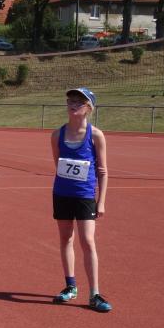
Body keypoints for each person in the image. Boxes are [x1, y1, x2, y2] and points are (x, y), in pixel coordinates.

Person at [50, 87, 112, 312]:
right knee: (65, 238)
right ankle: (70, 286)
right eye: (70, 101)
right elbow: (58, 165)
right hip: (62, 194)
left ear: (88, 108)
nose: (73, 105)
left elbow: (103, 171)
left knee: (87, 240)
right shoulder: (57, 135)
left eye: (79, 102)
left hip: (85, 196)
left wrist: (101, 201)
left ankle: (94, 294)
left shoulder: (96, 135)